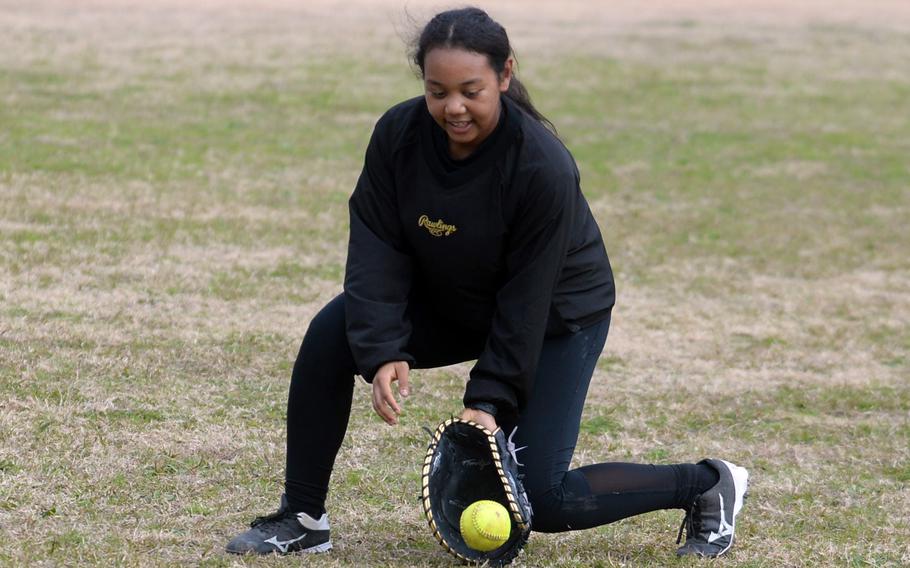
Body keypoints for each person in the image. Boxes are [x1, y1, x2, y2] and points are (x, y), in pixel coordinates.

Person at [225, 6, 748, 560]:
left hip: (555, 316)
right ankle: (303, 517)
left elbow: (526, 300)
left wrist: (489, 401)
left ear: (504, 75)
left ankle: (705, 484)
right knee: (333, 334)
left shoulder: (540, 167)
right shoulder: (398, 135)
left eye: (470, 90)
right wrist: (380, 349)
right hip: (456, 291)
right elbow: (377, 245)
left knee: (541, 500)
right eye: (437, 91)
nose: (453, 107)